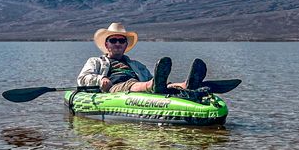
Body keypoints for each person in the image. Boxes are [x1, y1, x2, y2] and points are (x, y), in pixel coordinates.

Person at [77, 22, 207, 93]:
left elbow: (155, 81)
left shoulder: (136, 65)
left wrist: (165, 84)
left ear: (125, 45)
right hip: (115, 87)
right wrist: (101, 79)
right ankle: (151, 86)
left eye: (121, 41)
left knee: (157, 83)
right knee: (134, 84)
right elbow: (83, 78)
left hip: (140, 84)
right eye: (114, 40)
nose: (117, 43)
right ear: (107, 44)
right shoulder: (96, 61)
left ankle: (185, 84)